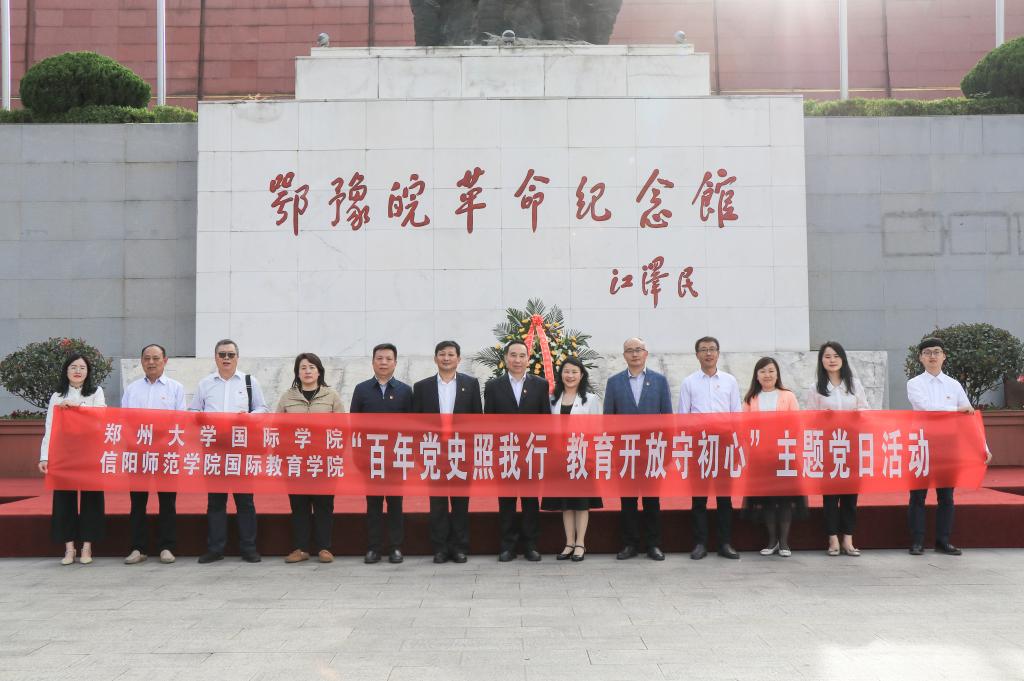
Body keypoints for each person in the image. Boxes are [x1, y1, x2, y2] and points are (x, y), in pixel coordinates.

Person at [906, 337, 990, 556]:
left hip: (948, 445)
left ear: (944, 356)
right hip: (922, 444)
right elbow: (927, 408)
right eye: (927, 353)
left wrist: (983, 447)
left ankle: (943, 541)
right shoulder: (914, 383)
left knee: (946, 496)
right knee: (917, 495)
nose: (932, 356)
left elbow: (969, 417)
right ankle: (917, 541)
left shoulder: (954, 385)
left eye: (937, 352)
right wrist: (955, 410)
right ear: (920, 358)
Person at [191, 339, 268, 564]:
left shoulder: (249, 382)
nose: (226, 358)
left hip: (241, 448)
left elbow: (263, 409)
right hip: (214, 449)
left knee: (245, 501)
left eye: (230, 355)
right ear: (215, 357)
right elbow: (193, 411)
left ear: (237, 358)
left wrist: (248, 418)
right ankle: (215, 548)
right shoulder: (205, 384)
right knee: (216, 501)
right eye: (222, 354)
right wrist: (204, 418)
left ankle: (249, 548)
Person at [412, 340, 483, 564]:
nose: (446, 358)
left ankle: (460, 547)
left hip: (462, 452)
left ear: (458, 359)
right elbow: (415, 424)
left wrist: (474, 452)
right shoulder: (422, 387)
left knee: (461, 503)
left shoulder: (470, 384)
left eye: (451, 354)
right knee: (438, 504)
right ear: (435, 358)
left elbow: (477, 420)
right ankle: (440, 548)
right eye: (442, 354)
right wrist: (420, 454)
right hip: (434, 452)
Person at [603, 337, 672, 561]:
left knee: (652, 501)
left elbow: (667, 418)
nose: (634, 354)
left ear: (646, 353)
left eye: (638, 350)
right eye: (630, 350)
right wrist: (611, 452)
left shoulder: (659, 381)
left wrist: (667, 451)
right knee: (628, 501)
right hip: (625, 452)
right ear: (624, 355)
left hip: (652, 451)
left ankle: (654, 545)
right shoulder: (614, 383)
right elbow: (608, 420)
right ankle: (629, 544)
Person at [484, 340, 550, 562]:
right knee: (507, 502)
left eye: (522, 356)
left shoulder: (540, 385)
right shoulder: (493, 386)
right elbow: (488, 422)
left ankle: (531, 545)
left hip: (532, 453)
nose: (517, 360)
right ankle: (508, 546)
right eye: (513, 355)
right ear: (505, 358)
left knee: (531, 502)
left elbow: (545, 420)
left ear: (528, 359)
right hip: (505, 452)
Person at [39, 353, 107, 565]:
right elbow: (50, 427)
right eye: (73, 367)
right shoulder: (57, 395)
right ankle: (69, 548)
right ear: (66, 370)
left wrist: (77, 409)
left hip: (90, 452)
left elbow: (101, 417)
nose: (78, 371)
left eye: (82, 367)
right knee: (63, 500)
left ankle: (87, 547)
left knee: (92, 500)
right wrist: (44, 456)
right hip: (64, 453)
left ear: (88, 372)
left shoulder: (96, 392)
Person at [276, 352, 344, 564]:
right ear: (297, 372)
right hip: (295, 462)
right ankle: (301, 548)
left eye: (312, 367)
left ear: (319, 372)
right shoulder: (287, 397)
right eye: (303, 368)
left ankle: (324, 548)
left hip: (323, 461)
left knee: (324, 505)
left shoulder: (331, 396)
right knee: (299, 506)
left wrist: (335, 455)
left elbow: (342, 428)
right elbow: (277, 428)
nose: (307, 371)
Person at [122, 343, 186, 565]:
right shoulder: (132, 389)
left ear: (165, 361)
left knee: (167, 502)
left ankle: (167, 547)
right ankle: (137, 548)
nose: (151, 362)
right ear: (141, 361)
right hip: (138, 452)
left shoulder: (175, 388)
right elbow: (124, 421)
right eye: (147, 358)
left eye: (156, 358)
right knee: (137, 502)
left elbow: (181, 421)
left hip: (166, 453)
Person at [678, 336, 741, 560]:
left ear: (718, 353)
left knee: (724, 498)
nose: (708, 353)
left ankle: (725, 543)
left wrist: (736, 445)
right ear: (697, 355)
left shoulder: (730, 381)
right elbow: (683, 417)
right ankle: (700, 544)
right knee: (699, 498)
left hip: (724, 444)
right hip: (699, 444)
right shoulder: (689, 382)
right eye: (703, 350)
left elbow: (736, 414)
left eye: (712, 349)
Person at [350, 343, 413, 564]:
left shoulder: (405, 391)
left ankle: (395, 547)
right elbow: (354, 425)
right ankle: (374, 548)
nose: (383, 362)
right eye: (379, 358)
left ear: (395, 362)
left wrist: (408, 456)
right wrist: (358, 456)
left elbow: (412, 427)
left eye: (388, 359)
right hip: (371, 457)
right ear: (373, 362)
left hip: (396, 457)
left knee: (395, 504)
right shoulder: (362, 389)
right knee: (373, 504)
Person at [805, 341, 869, 556]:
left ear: (843, 359)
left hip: (851, 446)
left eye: (836, 356)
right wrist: (823, 418)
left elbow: (865, 411)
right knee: (830, 495)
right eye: (827, 356)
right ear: (821, 361)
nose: (832, 360)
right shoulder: (815, 388)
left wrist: (855, 416)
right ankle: (832, 539)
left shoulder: (854, 385)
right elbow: (809, 418)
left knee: (851, 495)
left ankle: (848, 539)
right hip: (828, 447)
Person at [741, 357, 805, 558]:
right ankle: (772, 541)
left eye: (771, 371)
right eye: (762, 371)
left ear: (777, 374)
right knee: (767, 500)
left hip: (784, 455)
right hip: (760, 457)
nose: (767, 375)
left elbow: (796, 425)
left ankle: (784, 542)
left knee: (785, 500)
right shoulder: (751, 399)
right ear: (756, 376)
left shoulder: (787, 396)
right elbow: (745, 428)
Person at [542, 357, 602, 562]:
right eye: (566, 371)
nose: (570, 375)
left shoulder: (591, 399)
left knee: (581, 503)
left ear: (582, 375)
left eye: (574, 372)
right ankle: (569, 543)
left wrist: (593, 457)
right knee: (566, 503)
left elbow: (597, 430)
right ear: (561, 375)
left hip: (582, 457)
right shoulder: (552, 399)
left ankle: (580, 543)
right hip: (559, 458)